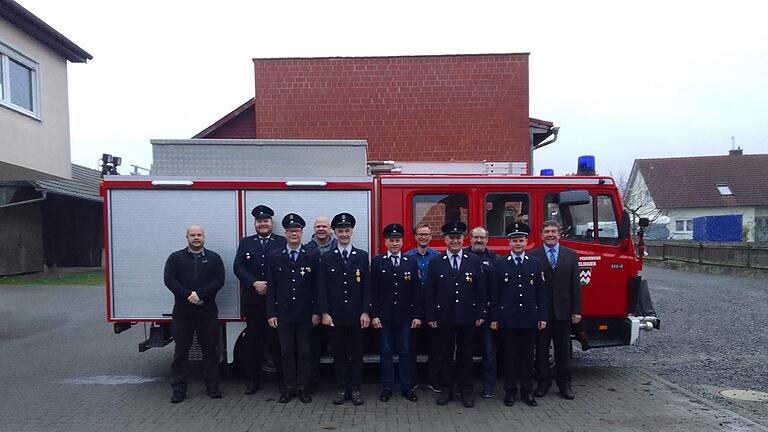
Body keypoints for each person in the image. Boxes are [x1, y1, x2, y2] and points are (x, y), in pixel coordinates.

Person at [424, 221, 487, 408]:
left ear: (463, 239)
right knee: (445, 355)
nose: (455, 241)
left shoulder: (473, 260)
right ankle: (447, 390)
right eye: (451, 238)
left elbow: (480, 290)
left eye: (458, 237)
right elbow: (430, 292)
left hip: (467, 316)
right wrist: (431, 316)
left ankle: (466, 390)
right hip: (444, 317)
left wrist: (481, 312)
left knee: (466, 355)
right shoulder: (436, 262)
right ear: (445, 240)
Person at [163, 225, 225, 403]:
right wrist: (188, 295)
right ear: (187, 237)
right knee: (181, 353)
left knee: (210, 352)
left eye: (199, 235)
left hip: (207, 313)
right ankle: (179, 390)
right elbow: (169, 280)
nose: (196, 238)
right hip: (183, 313)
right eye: (193, 235)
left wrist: (201, 294)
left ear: (204, 237)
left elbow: (219, 281)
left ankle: (212, 387)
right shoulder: (176, 258)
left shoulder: (214, 258)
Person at [489, 222, 546, 407]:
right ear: (509, 243)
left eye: (521, 240)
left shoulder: (535, 264)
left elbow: (540, 292)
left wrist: (542, 317)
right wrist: (495, 318)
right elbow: (495, 294)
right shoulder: (500, 264)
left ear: (526, 242)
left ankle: (527, 392)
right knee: (509, 357)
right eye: (514, 241)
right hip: (508, 320)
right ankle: (510, 392)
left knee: (528, 357)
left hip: (529, 318)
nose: (518, 244)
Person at [266, 213, 321, 404]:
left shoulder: (312, 255)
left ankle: (304, 388)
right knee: (286, 352)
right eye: (290, 231)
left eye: (297, 230)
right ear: (285, 233)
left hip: (306, 314)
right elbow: (272, 287)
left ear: (302, 232)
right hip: (284, 314)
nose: (293, 234)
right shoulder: (275, 256)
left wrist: (316, 311)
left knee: (305, 352)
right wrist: (271, 313)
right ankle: (289, 387)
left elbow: (318, 286)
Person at [317, 213, 371, 405]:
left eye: (347, 230)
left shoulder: (362, 256)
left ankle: (355, 389)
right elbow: (321, 287)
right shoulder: (327, 257)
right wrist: (324, 312)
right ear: (335, 232)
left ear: (351, 232)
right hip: (335, 316)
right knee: (339, 355)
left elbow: (367, 287)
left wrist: (366, 312)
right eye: (340, 231)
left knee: (357, 355)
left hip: (357, 316)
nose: (344, 234)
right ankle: (341, 388)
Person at [233, 205, 287, 395]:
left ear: (272, 223)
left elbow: (288, 268)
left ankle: (283, 381)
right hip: (253, 302)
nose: (263, 224)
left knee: (279, 342)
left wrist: (270, 286)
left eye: (266, 221)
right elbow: (238, 267)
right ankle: (253, 380)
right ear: (255, 224)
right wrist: (254, 283)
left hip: (277, 301)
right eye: (259, 221)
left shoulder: (282, 242)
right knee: (254, 342)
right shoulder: (246, 243)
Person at [529, 220, 582, 400]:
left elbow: (576, 285)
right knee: (542, 349)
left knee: (562, 350)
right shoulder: (533, 256)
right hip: (542, 313)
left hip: (564, 311)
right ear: (541, 235)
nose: (550, 234)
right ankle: (543, 383)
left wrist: (577, 310)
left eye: (553, 231)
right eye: (547, 232)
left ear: (559, 234)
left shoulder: (571, 255)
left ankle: (564, 385)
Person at [371, 223, 421, 403]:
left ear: (402, 242)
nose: (394, 244)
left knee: (406, 351)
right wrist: (374, 314)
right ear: (385, 242)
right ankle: (387, 387)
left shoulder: (411, 262)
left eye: (397, 240)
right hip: (384, 317)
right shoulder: (377, 262)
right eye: (391, 240)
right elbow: (373, 291)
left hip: (406, 317)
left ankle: (407, 387)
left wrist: (417, 315)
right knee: (386, 352)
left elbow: (416, 291)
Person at [404, 223, 441, 392]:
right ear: (415, 237)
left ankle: (434, 380)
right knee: (411, 347)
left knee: (435, 347)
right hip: (413, 309)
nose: (423, 237)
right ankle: (412, 381)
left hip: (434, 309)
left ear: (431, 236)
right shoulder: (407, 258)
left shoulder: (439, 258)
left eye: (426, 234)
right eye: (420, 234)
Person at [463, 226, 498, 398]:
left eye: (481, 238)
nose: (478, 240)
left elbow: (496, 290)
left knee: (489, 352)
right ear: (469, 239)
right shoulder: (462, 256)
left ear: (487, 239)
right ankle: (463, 385)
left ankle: (489, 385)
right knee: (463, 352)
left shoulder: (494, 259)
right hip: (466, 313)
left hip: (488, 313)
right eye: (475, 237)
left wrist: (493, 315)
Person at [304, 216, 335, 393]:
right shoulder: (307, 249)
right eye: (318, 226)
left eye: (324, 226)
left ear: (330, 229)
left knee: (338, 344)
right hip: (314, 304)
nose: (321, 229)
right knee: (313, 346)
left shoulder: (338, 247)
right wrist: (317, 309)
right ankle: (313, 380)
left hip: (337, 304)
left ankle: (336, 379)